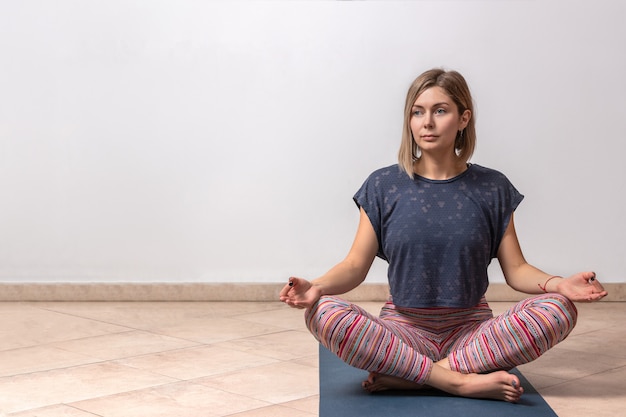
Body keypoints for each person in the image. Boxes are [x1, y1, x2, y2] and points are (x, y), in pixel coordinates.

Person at [279, 68, 607, 403]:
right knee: (324, 312)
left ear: (463, 118)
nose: (427, 122)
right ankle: (459, 381)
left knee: (559, 309)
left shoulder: (493, 187)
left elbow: (517, 270)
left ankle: (418, 376)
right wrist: (316, 286)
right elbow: (354, 265)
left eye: (440, 110)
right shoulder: (382, 185)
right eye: (417, 112)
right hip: (403, 331)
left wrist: (559, 284)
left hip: (472, 334)